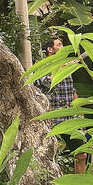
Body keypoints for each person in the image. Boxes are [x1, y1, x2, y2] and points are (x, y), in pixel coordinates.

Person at [34, 37, 85, 173]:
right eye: (59, 45)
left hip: (69, 118)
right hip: (52, 119)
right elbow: (42, 83)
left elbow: (71, 90)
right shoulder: (43, 65)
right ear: (50, 49)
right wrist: (61, 68)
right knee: (48, 158)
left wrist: (80, 113)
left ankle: (80, 184)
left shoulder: (67, 66)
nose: (62, 47)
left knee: (81, 154)